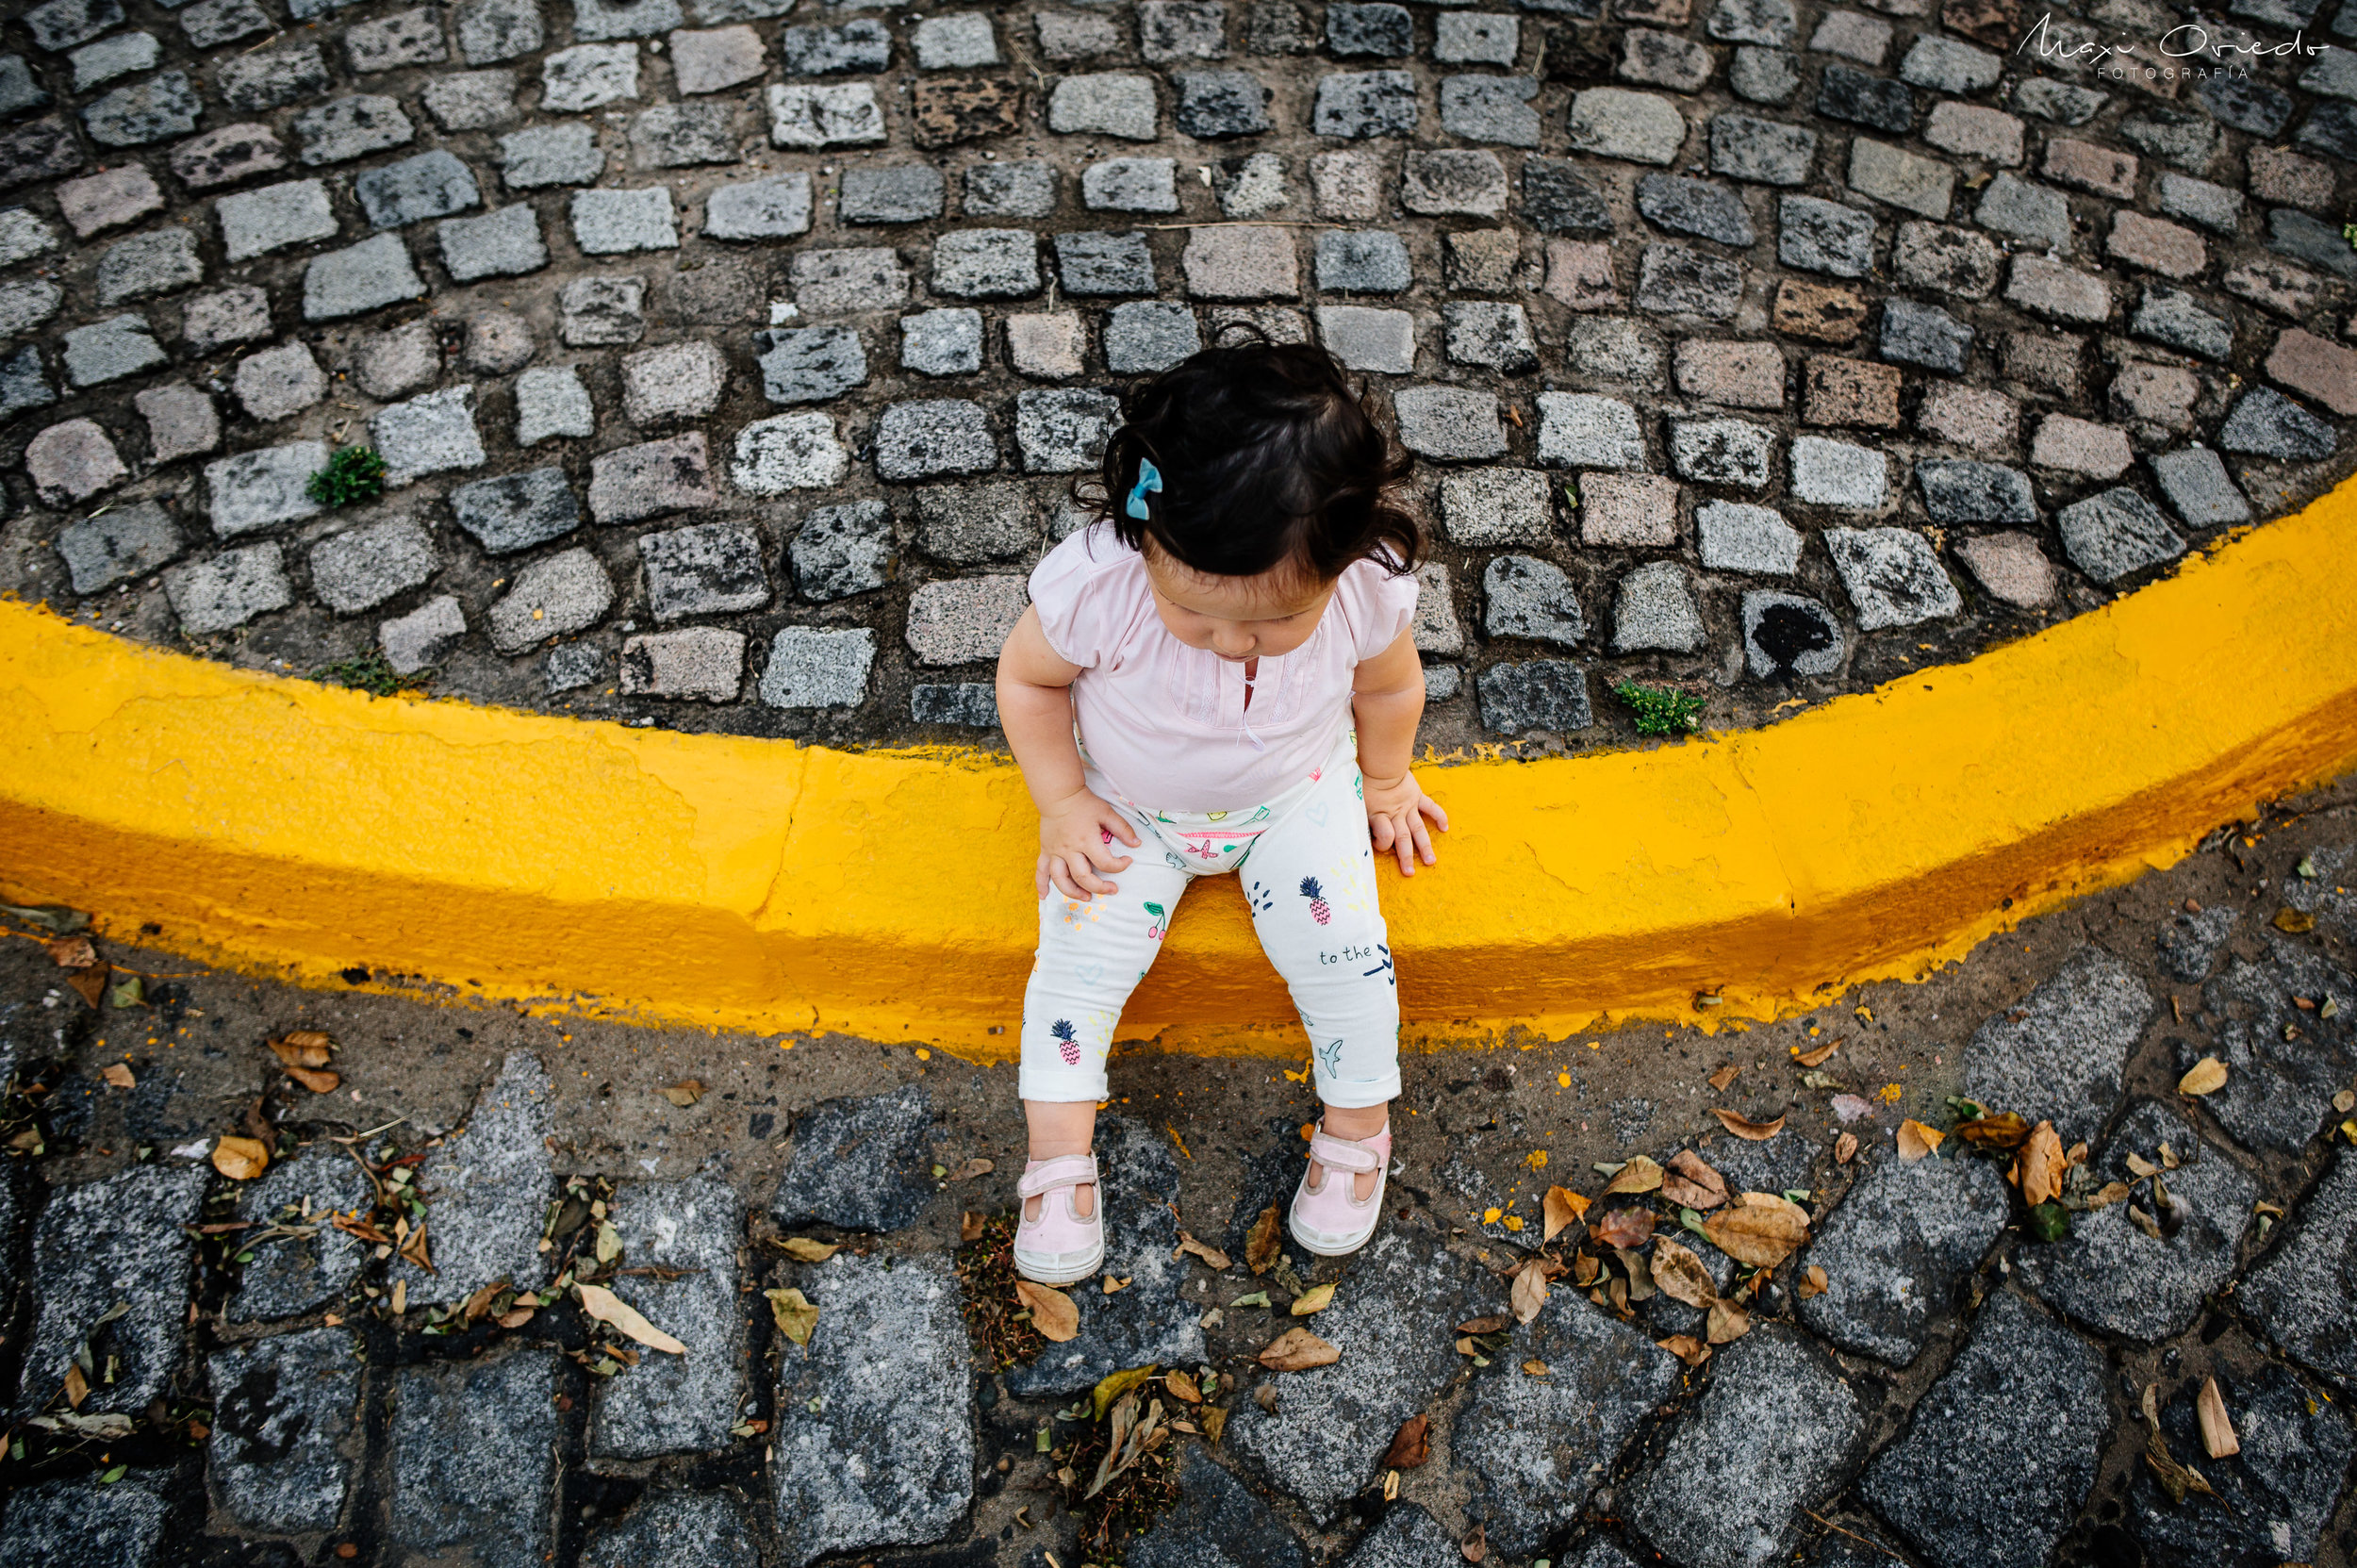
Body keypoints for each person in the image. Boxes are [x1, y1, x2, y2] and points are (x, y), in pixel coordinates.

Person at [994, 337, 1448, 1285]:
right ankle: (1056, 1160)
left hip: (1296, 796)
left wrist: (1387, 779)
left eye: (1277, 623)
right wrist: (1063, 802)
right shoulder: (1103, 581)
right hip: (1126, 806)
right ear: (1146, 538)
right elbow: (1029, 681)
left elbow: (1388, 690)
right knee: (1075, 971)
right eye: (1194, 615)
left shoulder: (1362, 584)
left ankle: (1358, 1125)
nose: (1234, 644)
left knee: (1344, 952)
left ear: (1341, 559)